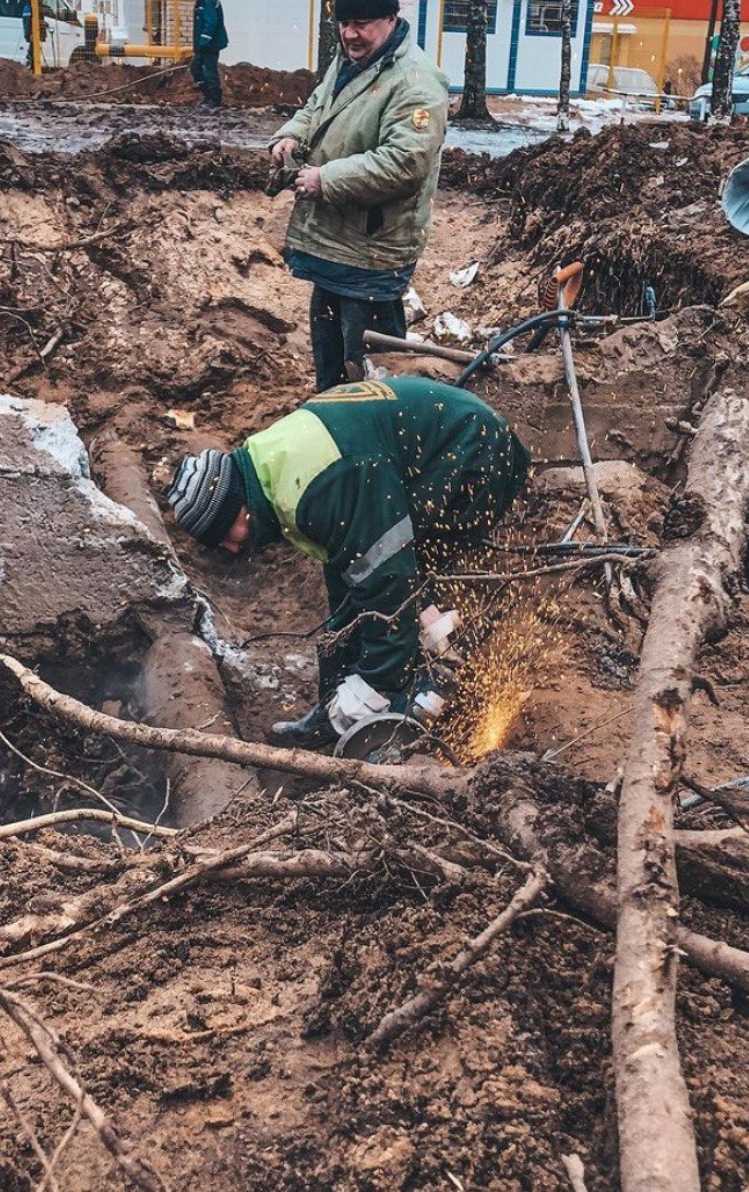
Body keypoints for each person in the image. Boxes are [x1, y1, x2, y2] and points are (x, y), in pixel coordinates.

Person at [167, 376, 530, 749]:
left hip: (473, 453)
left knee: (408, 580)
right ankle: (344, 708)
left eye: (225, 534)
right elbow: (352, 575)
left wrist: (375, 682)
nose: (229, 548)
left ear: (238, 508)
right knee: (358, 599)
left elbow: (388, 581)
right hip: (425, 451)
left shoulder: (318, 486)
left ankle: (433, 691)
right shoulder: (271, 466)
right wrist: (339, 681)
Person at [268, 0, 448, 393]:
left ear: (390, 18)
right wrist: (291, 135)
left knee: (373, 365)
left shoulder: (416, 82)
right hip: (337, 243)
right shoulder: (354, 59)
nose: (350, 33)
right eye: (344, 22)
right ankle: (332, 419)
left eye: (361, 23)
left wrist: (326, 179)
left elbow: (404, 163)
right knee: (331, 352)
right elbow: (320, 104)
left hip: (372, 251)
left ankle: (380, 434)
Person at [191, 0, 228, 109]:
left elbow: (211, 22)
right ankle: (208, 96)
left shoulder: (208, 1)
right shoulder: (201, 2)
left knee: (209, 70)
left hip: (211, 44)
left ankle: (214, 100)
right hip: (204, 44)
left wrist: (204, 42)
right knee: (195, 68)